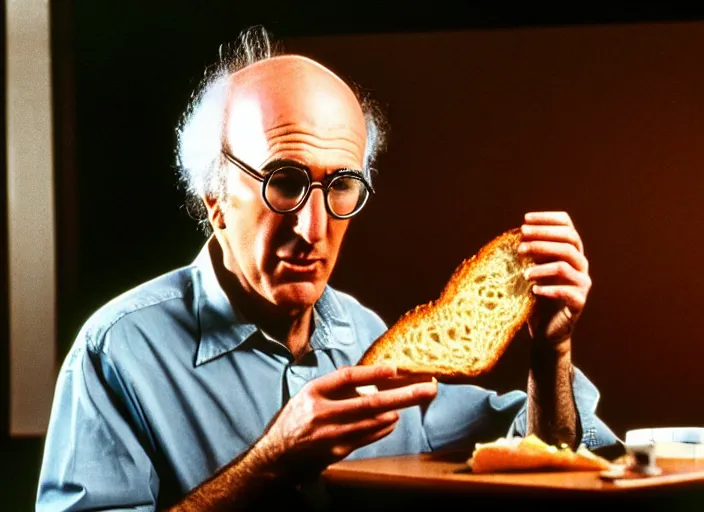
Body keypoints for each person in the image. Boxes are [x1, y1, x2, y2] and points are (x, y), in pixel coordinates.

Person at [36, 26, 619, 511]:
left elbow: (548, 452)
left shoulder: (373, 342)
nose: (312, 229)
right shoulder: (117, 352)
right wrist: (272, 460)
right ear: (214, 198)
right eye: (282, 183)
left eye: (340, 186)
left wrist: (551, 351)